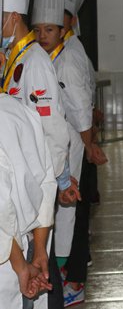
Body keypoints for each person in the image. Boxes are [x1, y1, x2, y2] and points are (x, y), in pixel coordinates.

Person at [1, 0, 74, 309]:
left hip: (33, 188)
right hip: (22, 189)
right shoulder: (14, 60)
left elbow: (52, 131)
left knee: (40, 269)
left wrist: (60, 179)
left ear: (12, 17)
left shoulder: (34, 62)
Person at [32, 0, 107, 307]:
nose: (43, 35)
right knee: (58, 215)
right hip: (53, 146)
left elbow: (79, 108)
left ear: (66, 27)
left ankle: (66, 280)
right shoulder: (44, 58)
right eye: (38, 30)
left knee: (66, 215)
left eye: (50, 29)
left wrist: (89, 145)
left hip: (68, 146)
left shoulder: (67, 60)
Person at [0, 93, 56, 308]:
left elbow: (2, 209)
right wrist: (40, 249)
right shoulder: (19, 109)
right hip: (26, 243)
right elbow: (45, 182)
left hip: (9, 255)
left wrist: (21, 265)